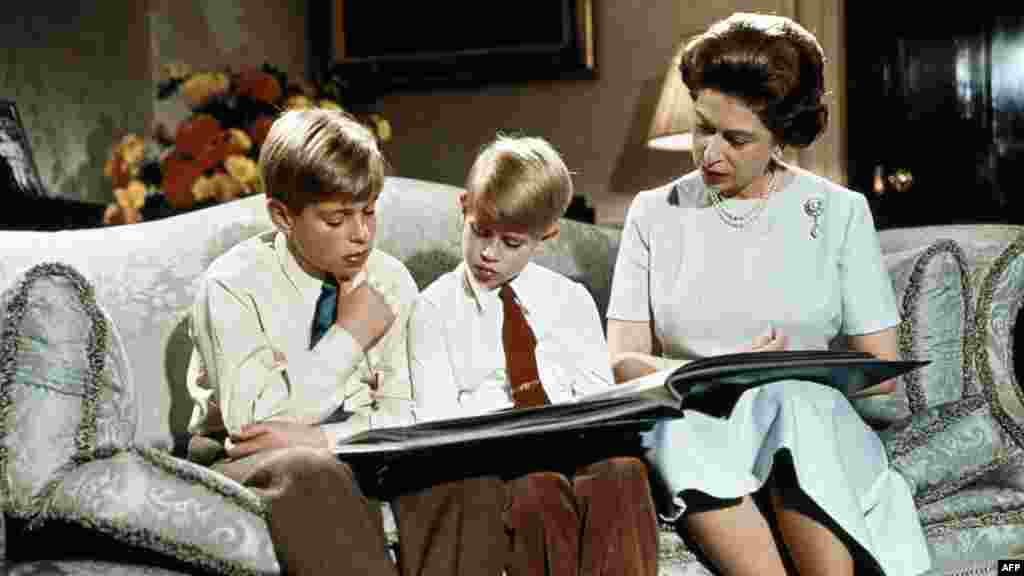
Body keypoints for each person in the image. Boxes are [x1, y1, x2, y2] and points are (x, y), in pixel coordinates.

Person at [606, 13, 931, 576]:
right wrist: (721, 370)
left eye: (735, 139)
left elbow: (879, 366)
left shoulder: (839, 212)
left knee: (794, 406)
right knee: (672, 431)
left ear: (782, 136)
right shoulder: (653, 214)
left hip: (809, 421)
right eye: (702, 127)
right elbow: (621, 362)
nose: (710, 153)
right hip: (697, 423)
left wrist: (785, 371)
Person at [186, 108, 508, 575]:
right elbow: (255, 426)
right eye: (336, 219)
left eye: (369, 212)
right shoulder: (233, 285)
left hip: (353, 448)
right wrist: (352, 332)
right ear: (283, 216)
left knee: (463, 471)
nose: (360, 235)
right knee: (309, 473)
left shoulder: (390, 280)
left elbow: (415, 415)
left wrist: (322, 437)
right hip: (243, 460)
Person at [407, 134, 658, 576]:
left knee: (623, 472)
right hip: (497, 458)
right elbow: (437, 422)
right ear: (464, 207)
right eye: (480, 232)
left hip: (573, 445)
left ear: (546, 236)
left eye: (511, 243)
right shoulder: (433, 308)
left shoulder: (570, 299)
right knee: (536, 493)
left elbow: (597, 401)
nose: (488, 253)